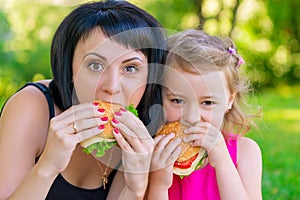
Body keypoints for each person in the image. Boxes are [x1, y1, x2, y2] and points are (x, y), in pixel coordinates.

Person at [0, 1, 167, 199]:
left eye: (130, 68)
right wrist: (48, 166)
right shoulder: (32, 107)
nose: (111, 87)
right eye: (95, 65)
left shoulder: (147, 132)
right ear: (69, 68)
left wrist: (135, 189)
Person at [147, 30, 262, 200]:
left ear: (229, 101)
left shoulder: (245, 152)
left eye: (207, 103)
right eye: (177, 100)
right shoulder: (151, 150)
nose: (192, 118)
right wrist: (158, 184)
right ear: (160, 97)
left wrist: (223, 163)